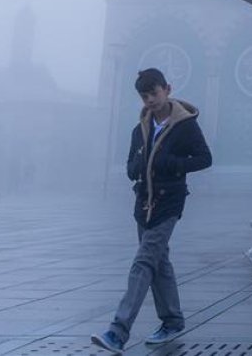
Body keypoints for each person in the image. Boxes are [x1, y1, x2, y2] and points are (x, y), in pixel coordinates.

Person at [92, 68, 212, 353]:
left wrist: (172, 162)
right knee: (159, 262)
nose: (150, 100)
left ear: (167, 89)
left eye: (154, 93)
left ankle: (117, 332)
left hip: (169, 201)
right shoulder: (141, 128)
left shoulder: (185, 126)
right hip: (142, 203)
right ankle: (172, 320)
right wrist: (135, 169)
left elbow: (205, 158)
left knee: (143, 262)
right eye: (145, 96)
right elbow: (131, 164)